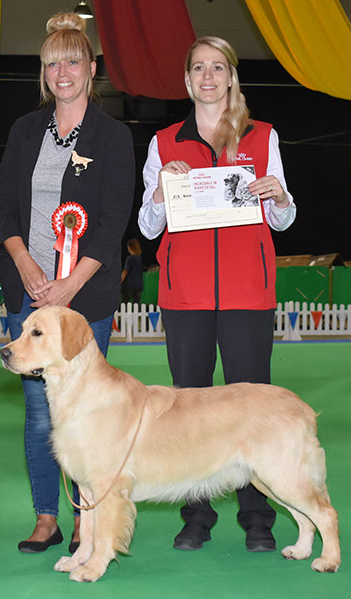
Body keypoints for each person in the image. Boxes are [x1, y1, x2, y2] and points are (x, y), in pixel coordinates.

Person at [138, 36, 296, 553]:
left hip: (248, 293)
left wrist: (279, 195)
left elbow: (283, 218)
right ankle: (196, 517)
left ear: (231, 77)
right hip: (184, 295)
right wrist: (161, 190)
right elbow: (146, 224)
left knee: (253, 409)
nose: (208, 76)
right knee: (188, 410)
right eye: (198, 68)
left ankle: (258, 517)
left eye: (218, 68)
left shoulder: (263, 135)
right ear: (186, 81)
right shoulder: (164, 141)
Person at [0, 12, 135, 553]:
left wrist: (70, 285)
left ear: (91, 68)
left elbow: (112, 220)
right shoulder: (25, 131)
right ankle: (47, 516)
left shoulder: (114, 136)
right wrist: (26, 264)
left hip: (85, 299)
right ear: (44, 73)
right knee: (37, 414)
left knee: (85, 414)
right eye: (52, 63)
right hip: (27, 296)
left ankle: (87, 517)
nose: (62, 71)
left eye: (72, 60)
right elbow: (4, 208)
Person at [121, 238, 144, 304]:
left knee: (124, 303)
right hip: (139, 285)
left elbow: (125, 271)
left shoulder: (130, 258)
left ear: (130, 247)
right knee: (136, 304)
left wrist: (120, 281)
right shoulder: (140, 258)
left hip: (130, 284)